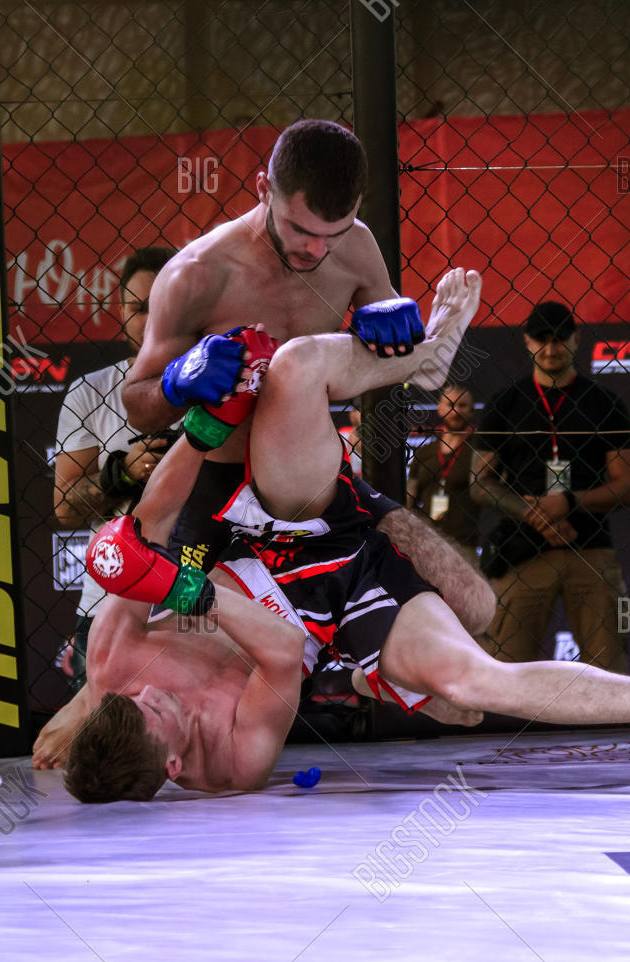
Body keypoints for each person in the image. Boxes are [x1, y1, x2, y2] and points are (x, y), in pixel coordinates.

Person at [65, 269, 630, 802]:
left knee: (294, 368)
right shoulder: (234, 764)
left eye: (133, 698)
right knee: (474, 683)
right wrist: (187, 592)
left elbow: (150, 523)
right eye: (155, 714)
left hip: (267, 530)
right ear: (175, 764)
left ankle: (420, 359)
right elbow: (281, 648)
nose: (149, 695)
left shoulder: (112, 661)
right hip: (329, 608)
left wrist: (202, 431)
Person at [117, 119, 494, 638]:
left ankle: (426, 356)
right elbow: (136, 405)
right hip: (221, 488)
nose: (316, 250)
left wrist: (395, 334)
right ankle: (430, 356)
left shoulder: (356, 248)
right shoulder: (197, 273)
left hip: (313, 479)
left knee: (472, 605)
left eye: (332, 234)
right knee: (184, 643)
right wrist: (177, 382)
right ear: (263, 189)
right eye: (301, 230)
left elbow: (376, 349)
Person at [470, 300, 630, 671]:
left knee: (609, 672)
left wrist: (568, 503)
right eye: (541, 339)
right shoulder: (505, 404)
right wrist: (534, 514)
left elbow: (629, 485)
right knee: (506, 672)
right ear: (527, 340)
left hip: (590, 549)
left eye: (560, 338)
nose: (550, 349)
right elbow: (479, 483)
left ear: (576, 338)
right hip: (523, 550)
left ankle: (609, 715)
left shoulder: (605, 403)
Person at [53, 246, 174, 691]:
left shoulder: (221, 386)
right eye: (139, 308)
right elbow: (66, 507)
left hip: (200, 599)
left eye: (163, 305)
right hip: (109, 601)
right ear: (121, 313)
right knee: (105, 732)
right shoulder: (90, 392)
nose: (151, 319)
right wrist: (123, 472)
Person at [407, 381, 482, 549]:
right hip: (425, 542)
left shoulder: (479, 452)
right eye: (451, 404)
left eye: (462, 405)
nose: (456, 411)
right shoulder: (425, 451)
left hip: (463, 545)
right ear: (439, 408)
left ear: (471, 410)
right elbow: (409, 498)